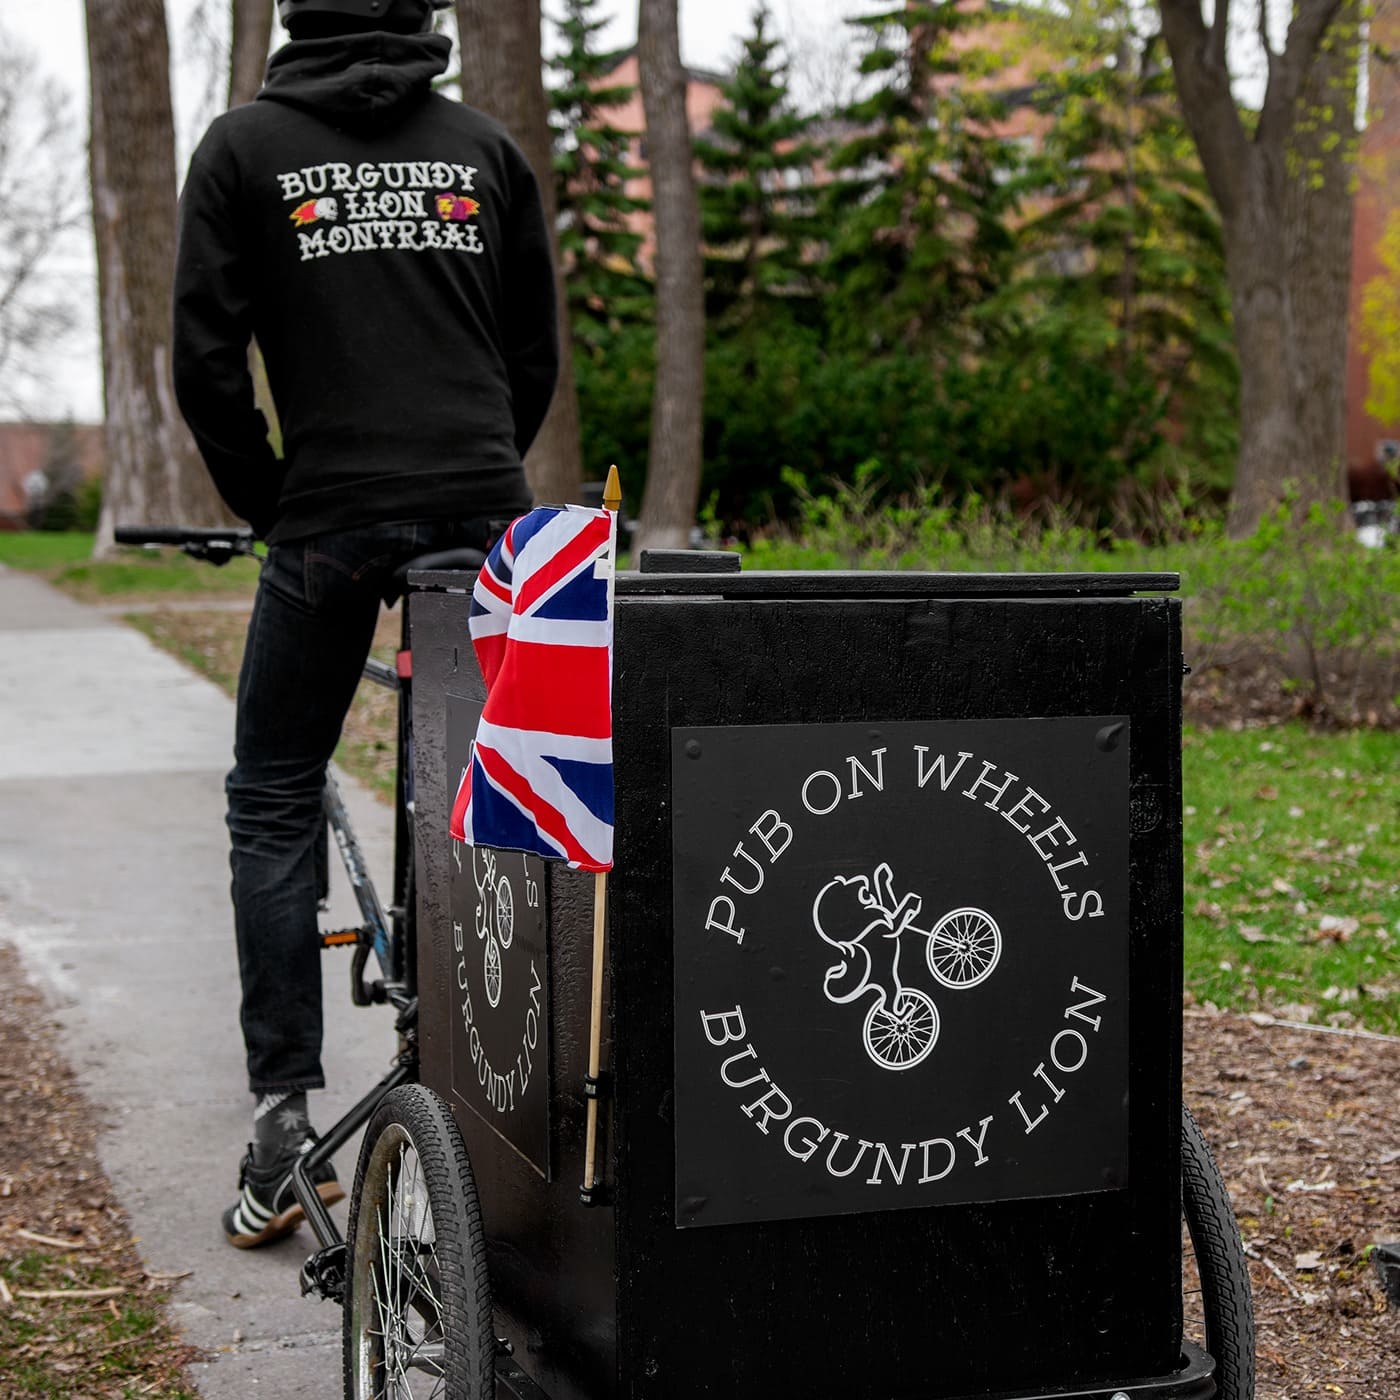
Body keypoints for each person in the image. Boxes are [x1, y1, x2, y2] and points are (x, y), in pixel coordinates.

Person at [172, 0, 559, 1247]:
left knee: (274, 790)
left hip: (329, 515)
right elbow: (532, 352)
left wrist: (274, 500)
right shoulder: (485, 149)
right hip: (480, 509)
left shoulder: (243, 149)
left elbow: (204, 361)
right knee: (513, 791)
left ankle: (283, 1119)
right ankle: (516, 1088)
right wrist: (473, 469)